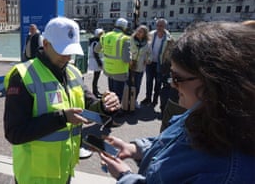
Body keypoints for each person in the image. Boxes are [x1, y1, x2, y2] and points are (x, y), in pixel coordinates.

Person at [97, 22, 255, 183]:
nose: (172, 83)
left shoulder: (225, 173)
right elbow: (171, 142)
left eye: (177, 77)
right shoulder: (205, 111)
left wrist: (125, 177)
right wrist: (136, 148)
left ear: (214, 82)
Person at [3, 16, 121, 184]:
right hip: (34, 177)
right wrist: (62, 118)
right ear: (45, 44)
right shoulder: (22, 76)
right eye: (62, 50)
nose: (67, 57)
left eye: (70, 51)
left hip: (64, 170)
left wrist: (105, 106)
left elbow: (90, 105)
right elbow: (14, 132)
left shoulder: (73, 72)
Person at [95, 18, 131, 102]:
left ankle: (110, 111)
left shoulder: (105, 36)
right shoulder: (125, 38)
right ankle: (116, 112)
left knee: (111, 93)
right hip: (120, 71)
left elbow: (96, 50)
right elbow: (126, 59)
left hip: (108, 68)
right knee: (118, 96)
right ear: (125, 27)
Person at [141, 18, 173, 107]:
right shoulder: (150, 34)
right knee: (149, 81)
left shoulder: (169, 38)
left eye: (161, 26)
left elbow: (170, 52)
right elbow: (145, 48)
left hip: (160, 64)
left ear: (165, 26)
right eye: (158, 25)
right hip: (150, 62)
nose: (159, 27)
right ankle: (148, 98)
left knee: (158, 83)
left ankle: (155, 100)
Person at [129, 25, 152, 103]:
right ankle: (126, 101)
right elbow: (126, 50)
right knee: (128, 84)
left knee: (137, 85)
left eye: (141, 31)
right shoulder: (131, 40)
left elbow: (150, 54)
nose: (138, 33)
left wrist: (148, 60)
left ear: (145, 34)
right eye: (138, 30)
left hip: (140, 67)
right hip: (130, 65)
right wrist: (129, 58)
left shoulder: (148, 43)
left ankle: (134, 101)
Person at [87, 28, 104, 97]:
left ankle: (96, 91)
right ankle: (95, 92)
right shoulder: (96, 42)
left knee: (96, 77)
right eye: (101, 34)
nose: (102, 35)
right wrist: (99, 63)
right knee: (96, 78)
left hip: (95, 61)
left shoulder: (94, 41)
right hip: (95, 62)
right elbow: (95, 54)